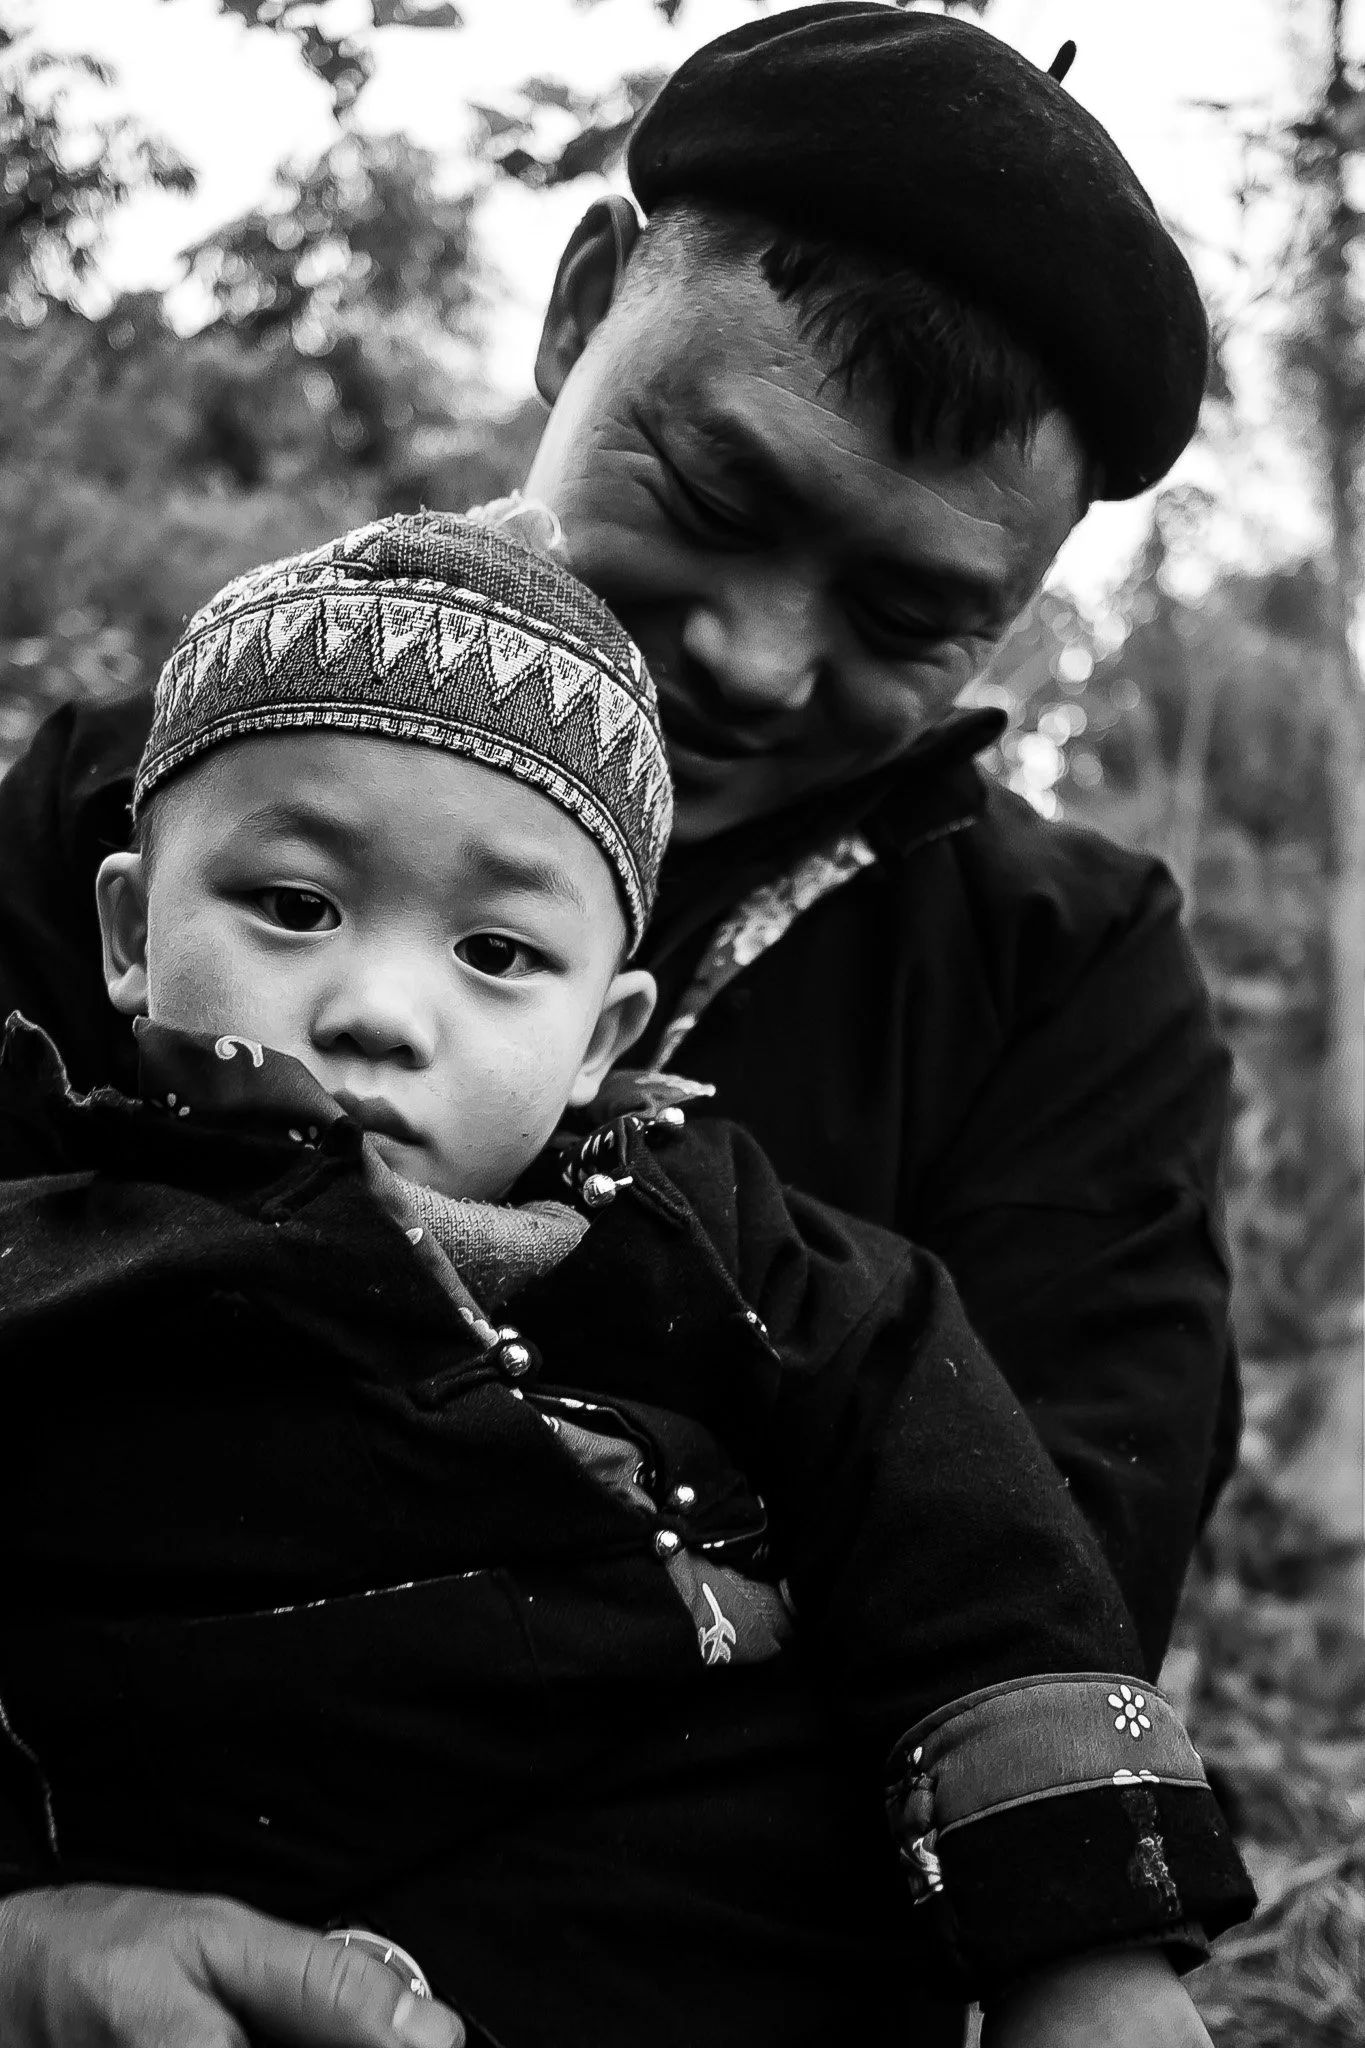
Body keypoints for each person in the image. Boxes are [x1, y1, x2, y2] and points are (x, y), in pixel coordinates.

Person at [0, 10, 1243, 2046]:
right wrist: (30, 1935)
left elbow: (1021, 1568)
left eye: (912, 616)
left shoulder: (1063, 977)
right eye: (711, 481)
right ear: (582, 308)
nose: (755, 655)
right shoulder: (114, 808)